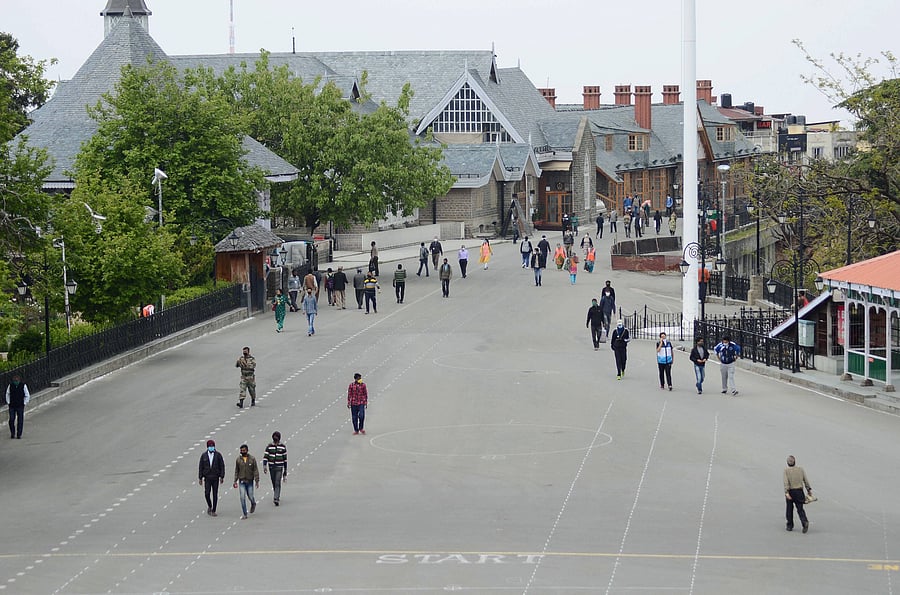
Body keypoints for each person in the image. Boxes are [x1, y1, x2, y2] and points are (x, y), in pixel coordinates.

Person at [784, 455, 813, 533]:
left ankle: (790, 525)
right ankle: (804, 521)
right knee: (800, 509)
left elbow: (786, 482)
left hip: (791, 491)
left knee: (789, 509)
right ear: (795, 462)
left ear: (787, 463)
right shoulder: (800, 470)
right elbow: (805, 480)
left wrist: (786, 492)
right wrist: (809, 489)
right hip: (799, 491)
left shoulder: (786, 471)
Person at [198, 439, 226, 516]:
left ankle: (214, 509)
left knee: (215, 494)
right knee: (207, 493)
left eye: (212, 446)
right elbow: (201, 466)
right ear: (207, 447)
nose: (211, 447)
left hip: (215, 477)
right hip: (207, 477)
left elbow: (222, 466)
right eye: (210, 446)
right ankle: (209, 505)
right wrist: (200, 477)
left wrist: (222, 476)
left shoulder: (218, 455)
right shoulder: (204, 455)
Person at [233, 444, 259, 519]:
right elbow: (236, 471)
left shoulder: (252, 459)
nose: (242, 452)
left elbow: (255, 470)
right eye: (241, 450)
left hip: (250, 481)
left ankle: (253, 503)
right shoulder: (238, 460)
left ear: (247, 450)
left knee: (250, 496)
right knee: (242, 497)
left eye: (244, 450)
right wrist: (235, 481)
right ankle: (245, 513)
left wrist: (257, 481)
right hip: (241, 481)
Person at [263, 431, 287, 506]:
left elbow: (285, 459)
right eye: (274, 436)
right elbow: (265, 457)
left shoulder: (282, 447)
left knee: (277, 482)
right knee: (273, 482)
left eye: (276, 437)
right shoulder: (269, 446)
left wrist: (285, 470)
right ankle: (276, 494)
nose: (275, 438)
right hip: (271, 467)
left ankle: (276, 498)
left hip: (279, 467)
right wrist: (264, 466)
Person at [6, 372, 30, 439]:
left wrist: (24, 403)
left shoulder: (23, 386)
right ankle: (12, 433)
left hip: (20, 405)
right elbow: (7, 394)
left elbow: (27, 395)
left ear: (19, 380)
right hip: (12, 405)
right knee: (11, 419)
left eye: (17, 380)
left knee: (20, 420)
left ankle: (19, 434)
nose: (16, 382)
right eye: (14, 381)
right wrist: (8, 402)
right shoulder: (10, 386)